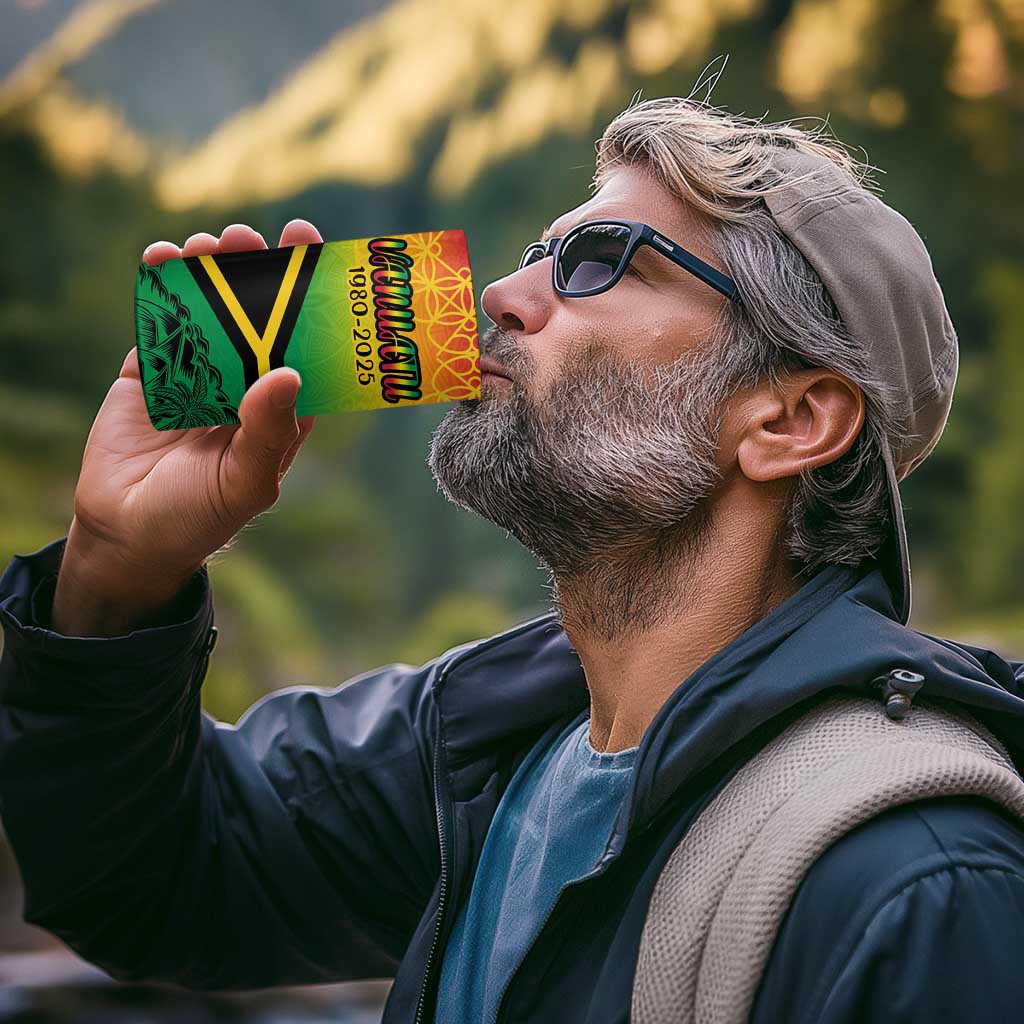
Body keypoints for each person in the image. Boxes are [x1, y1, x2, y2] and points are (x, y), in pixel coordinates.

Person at [2, 95, 1024, 1024]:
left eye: (600, 261)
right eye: (540, 252)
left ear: (791, 419)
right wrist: (116, 571)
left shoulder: (918, 884)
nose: (500, 292)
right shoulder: (478, 749)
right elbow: (149, 880)